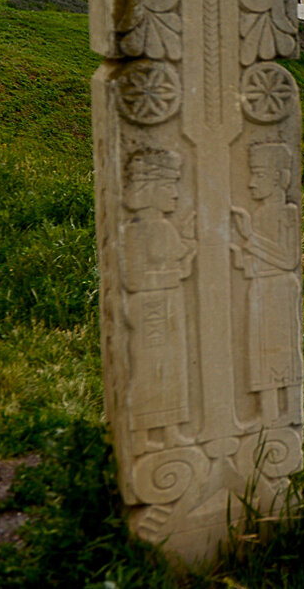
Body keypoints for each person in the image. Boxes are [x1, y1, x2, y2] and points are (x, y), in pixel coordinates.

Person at [121, 148, 195, 452]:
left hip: (170, 305)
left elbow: (182, 264)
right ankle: (141, 436)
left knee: (172, 367)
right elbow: (133, 278)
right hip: (148, 309)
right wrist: (172, 272)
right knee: (148, 368)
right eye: (168, 186)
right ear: (149, 189)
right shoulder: (137, 230)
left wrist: (188, 244)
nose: (176, 193)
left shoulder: (166, 227)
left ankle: (170, 430)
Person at [231, 142, 302, 426]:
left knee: (281, 353)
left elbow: (287, 258)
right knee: (260, 355)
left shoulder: (287, 213)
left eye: (259, 175)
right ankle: (268, 415)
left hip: (279, 289)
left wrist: (249, 237)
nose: (251, 182)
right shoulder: (260, 213)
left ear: (278, 178)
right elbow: (261, 259)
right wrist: (239, 257)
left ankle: (288, 414)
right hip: (260, 287)